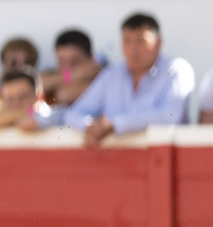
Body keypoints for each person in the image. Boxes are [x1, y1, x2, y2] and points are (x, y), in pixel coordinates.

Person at [64, 12, 194, 147]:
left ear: (158, 43)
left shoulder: (176, 70)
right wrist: (89, 126)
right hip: (116, 163)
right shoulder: (111, 75)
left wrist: (114, 125)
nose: (133, 49)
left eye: (141, 41)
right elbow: (73, 114)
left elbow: (169, 116)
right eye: (127, 41)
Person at [40, 29, 103, 106]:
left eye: (74, 61)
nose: (67, 67)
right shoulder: (52, 73)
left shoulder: (101, 77)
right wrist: (71, 75)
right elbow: (36, 85)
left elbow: (64, 95)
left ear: (90, 57)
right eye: (61, 61)